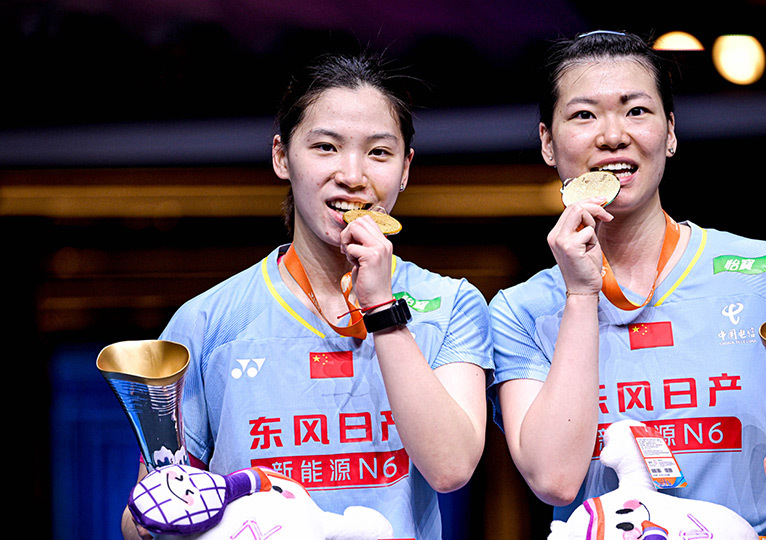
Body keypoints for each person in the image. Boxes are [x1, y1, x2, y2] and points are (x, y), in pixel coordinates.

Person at [488, 30, 766, 536]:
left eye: (636, 111)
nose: (612, 135)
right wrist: (580, 295)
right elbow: (554, 480)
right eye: (584, 115)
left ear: (669, 131)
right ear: (547, 144)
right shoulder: (520, 310)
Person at [121, 51, 492, 540]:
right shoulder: (207, 321)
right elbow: (143, 516)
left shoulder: (452, 304)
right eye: (326, 147)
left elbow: (451, 468)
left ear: (405, 169)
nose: (353, 175)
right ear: (281, 156)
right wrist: (161, 516)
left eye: (379, 153)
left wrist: (382, 308)